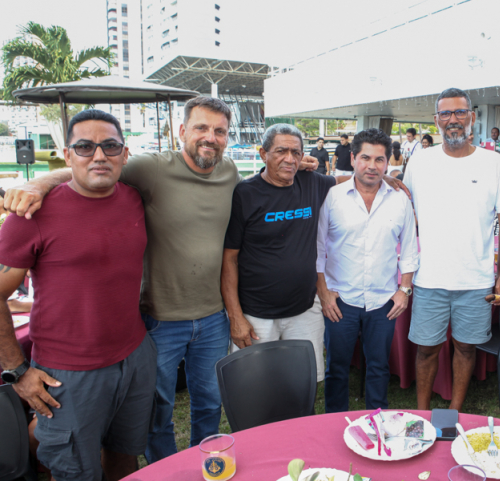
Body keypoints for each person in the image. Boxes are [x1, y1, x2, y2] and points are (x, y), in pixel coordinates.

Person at [2, 97, 320, 463]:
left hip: (213, 317)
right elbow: (94, 165)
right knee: (157, 412)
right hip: (159, 320)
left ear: (227, 138)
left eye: (219, 131)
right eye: (201, 128)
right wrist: (40, 183)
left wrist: (301, 161)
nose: (210, 137)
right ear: (181, 131)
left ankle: (207, 463)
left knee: (209, 403)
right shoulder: (150, 169)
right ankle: (167, 469)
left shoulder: (230, 173)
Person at [0, 109, 156, 481]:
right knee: (73, 471)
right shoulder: (30, 216)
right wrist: (18, 371)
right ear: (67, 155)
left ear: (124, 153)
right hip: (67, 374)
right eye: (85, 147)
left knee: (125, 456)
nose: (99, 155)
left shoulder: (134, 198)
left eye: (110, 146)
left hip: (134, 357)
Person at [404, 87, 500, 412]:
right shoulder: (420, 161)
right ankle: (423, 414)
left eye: (460, 112)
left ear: (472, 118)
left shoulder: (493, 163)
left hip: (476, 280)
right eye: (447, 114)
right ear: (437, 120)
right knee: (426, 350)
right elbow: (405, 213)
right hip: (429, 278)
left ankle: (453, 414)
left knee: (466, 348)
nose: (454, 120)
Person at [222, 123, 338, 381]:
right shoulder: (245, 193)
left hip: (305, 309)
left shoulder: (311, 182)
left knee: (303, 383)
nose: (290, 159)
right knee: (255, 387)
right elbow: (229, 258)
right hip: (257, 315)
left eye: (296, 153)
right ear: (263, 154)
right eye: (281, 151)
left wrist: (384, 177)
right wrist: (236, 316)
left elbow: (344, 181)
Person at [316, 128, 419, 412]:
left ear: (388, 163)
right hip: (341, 300)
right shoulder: (333, 197)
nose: (372, 166)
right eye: (365, 158)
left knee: (378, 367)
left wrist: (404, 291)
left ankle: (378, 422)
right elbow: (317, 249)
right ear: (353, 158)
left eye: (379, 159)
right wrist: (324, 294)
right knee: (336, 368)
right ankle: (333, 423)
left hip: (383, 301)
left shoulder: (400, 200)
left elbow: (410, 249)